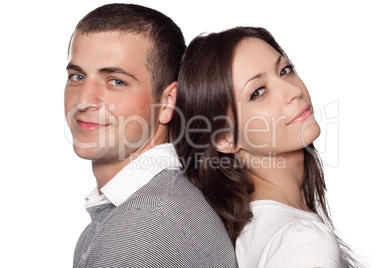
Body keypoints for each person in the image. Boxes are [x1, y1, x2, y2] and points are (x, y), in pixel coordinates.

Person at [64, 4, 237, 267]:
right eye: (77, 76)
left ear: (168, 102)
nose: (83, 100)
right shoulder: (140, 211)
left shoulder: (144, 226)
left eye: (116, 81)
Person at [171, 27, 359, 267]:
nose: (294, 91)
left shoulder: (260, 231)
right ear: (224, 138)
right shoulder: (301, 241)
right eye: (258, 92)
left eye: (285, 70)